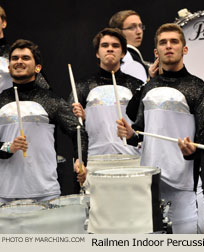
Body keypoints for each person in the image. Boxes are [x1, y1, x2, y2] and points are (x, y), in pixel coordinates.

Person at [117, 23, 204, 234]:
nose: (168, 46)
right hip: (149, 179)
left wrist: (193, 150)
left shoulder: (198, 87)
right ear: (156, 51)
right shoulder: (149, 86)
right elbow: (141, 132)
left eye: (174, 42)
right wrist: (131, 135)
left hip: (183, 183)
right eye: (163, 42)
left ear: (184, 49)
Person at [0, 39, 88, 203]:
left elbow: (78, 131)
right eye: (14, 58)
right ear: (9, 66)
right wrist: (8, 147)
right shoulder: (0, 100)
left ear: (38, 67)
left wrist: (80, 160)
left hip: (45, 192)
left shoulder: (52, 101)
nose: (19, 61)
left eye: (25, 58)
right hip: (4, 193)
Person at [69, 28, 142, 157]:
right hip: (94, 159)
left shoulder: (137, 85)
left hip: (130, 158)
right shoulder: (82, 86)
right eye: (104, 45)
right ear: (97, 53)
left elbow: (144, 126)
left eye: (115, 46)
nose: (110, 49)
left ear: (123, 53)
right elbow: (72, 128)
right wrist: (83, 119)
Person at [109, 10, 149, 82]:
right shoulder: (127, 58)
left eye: (140, 26)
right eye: (132, 27)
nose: (139, 31)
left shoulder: (134, 57)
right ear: (118, 32)